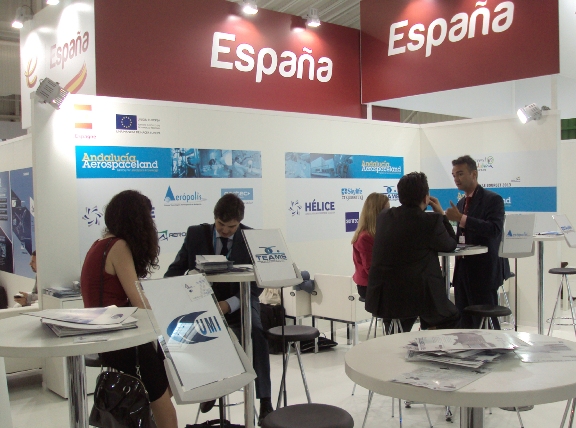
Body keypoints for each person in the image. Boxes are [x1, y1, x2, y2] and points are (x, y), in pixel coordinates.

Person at [165, 193, 274, 425]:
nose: (224, 230)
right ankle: (211, 385)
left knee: (256, 333)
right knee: (192, 334)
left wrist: (228, 305)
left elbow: (257, 284)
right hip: (205, 304)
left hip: (241, 301)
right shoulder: (196, 234)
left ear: (240, 222)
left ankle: (265, 400)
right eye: (220, 224)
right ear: (214, 218)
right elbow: (175, 270)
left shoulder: (251, 238)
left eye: (231, 227)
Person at [80, 190, 178, 428]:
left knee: (161, 387)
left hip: (108, 336)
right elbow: (138, 300)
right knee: (161, 398)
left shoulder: (99, 245)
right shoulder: (119, 246)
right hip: (124, 339)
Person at [365, 172, 460, 332]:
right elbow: (450, 244)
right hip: (416, 299)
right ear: (426, 198)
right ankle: (430, 339)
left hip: (384, 297)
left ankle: (400, 337)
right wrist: (441, 215)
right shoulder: (430, 221)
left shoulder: (384, 217)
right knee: (451, 316)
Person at [445, 155, 510, 329]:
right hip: (462, 271)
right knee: (464, 321)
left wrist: (462, 218)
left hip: (484, 271)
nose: (456, 179)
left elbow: (494, 229)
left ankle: (493, 346)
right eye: (454, 175)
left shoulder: (493, 200)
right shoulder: (461, 203)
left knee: (486, 322)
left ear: (474, 174)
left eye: (460, 174)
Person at [351, 193, 390, 300]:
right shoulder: (365, 237)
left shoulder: (379, 233)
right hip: (369, 286)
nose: (389, 214)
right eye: (386, 210)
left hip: (378, 281)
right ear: (377, 212)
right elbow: (370, 268)